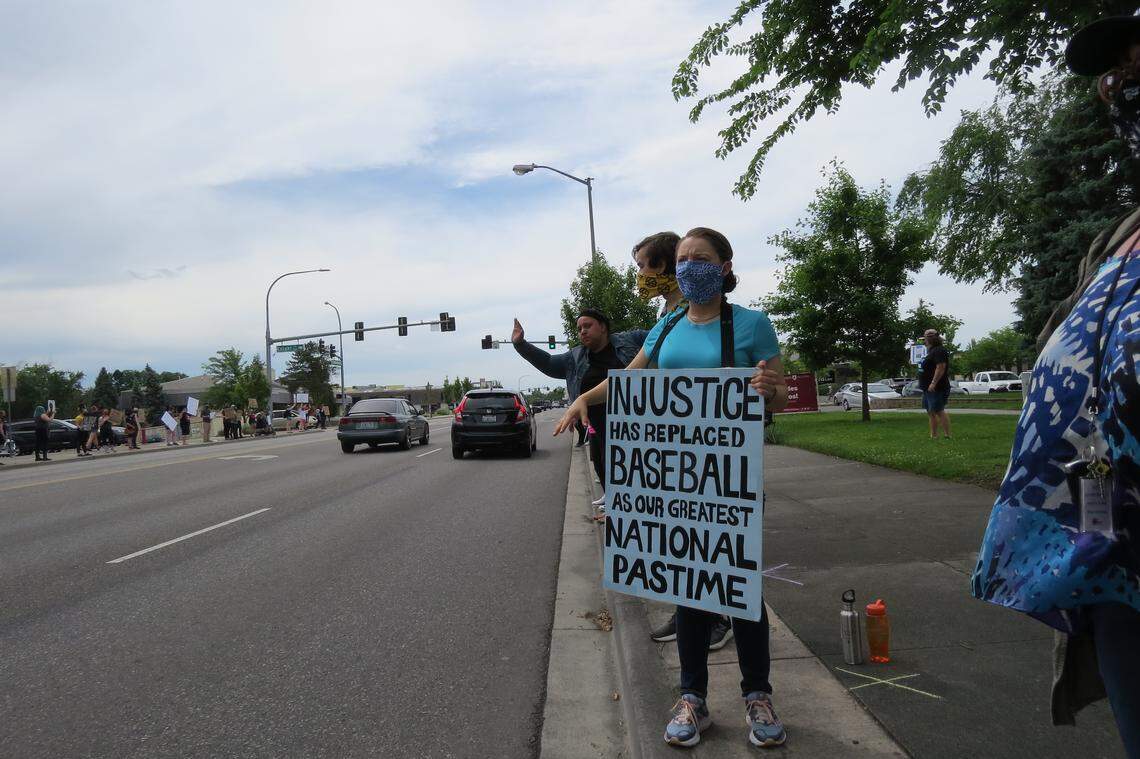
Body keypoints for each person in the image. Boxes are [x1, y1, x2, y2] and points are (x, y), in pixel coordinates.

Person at [972, 17, 1140, 758]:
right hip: (1111, 567)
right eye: (1120, 76)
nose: (1123, 87)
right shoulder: (1118, 239)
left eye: (1139, 65)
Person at [554, 227, 789, 749]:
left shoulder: (752, 323)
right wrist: (582, 401)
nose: (688, 267)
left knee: (740, 587)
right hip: (676, 476)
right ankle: (693, 697)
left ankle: (757, 693)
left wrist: (773, 390)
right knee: (688, 590)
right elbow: (628, 379)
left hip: (729, 479)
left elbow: (777, 396)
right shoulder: (666, 328)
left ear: (725, 266)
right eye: (682, 259)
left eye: (700, 258)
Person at [919, 328, 952, 439]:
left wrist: (933, 383)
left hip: (937, 387)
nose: (926, 340)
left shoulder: (939, 350)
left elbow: (941, 367)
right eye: (926, 337)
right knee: (930, 411)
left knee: (938, 410)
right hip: (927, 387)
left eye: (929, 337)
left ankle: (947, 435)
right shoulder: (931, 351)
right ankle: (933, 435)